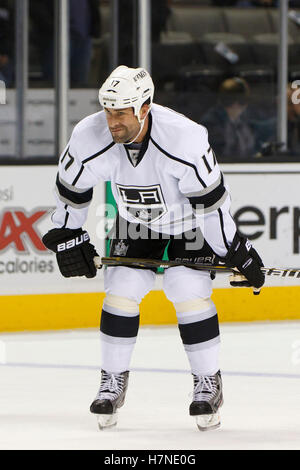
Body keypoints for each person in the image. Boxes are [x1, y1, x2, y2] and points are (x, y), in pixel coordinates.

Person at [42, 65, 265, 431]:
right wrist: (66, 235)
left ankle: (208, 384)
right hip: (136, 220)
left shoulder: (185, 137)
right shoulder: (88, 135)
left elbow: (212, 206)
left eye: (121, 112)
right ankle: (111, 382)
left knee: (188, 289)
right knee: (121, 290)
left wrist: (235, 250)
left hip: (188, 223)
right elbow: (71, 192)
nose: (111, 121)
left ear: (144, 108)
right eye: (107, 110)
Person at [201, 77, 258, 160]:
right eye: (244, 101)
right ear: (236, 102)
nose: (245, 106)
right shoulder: (211, 124)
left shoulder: (242, 121)